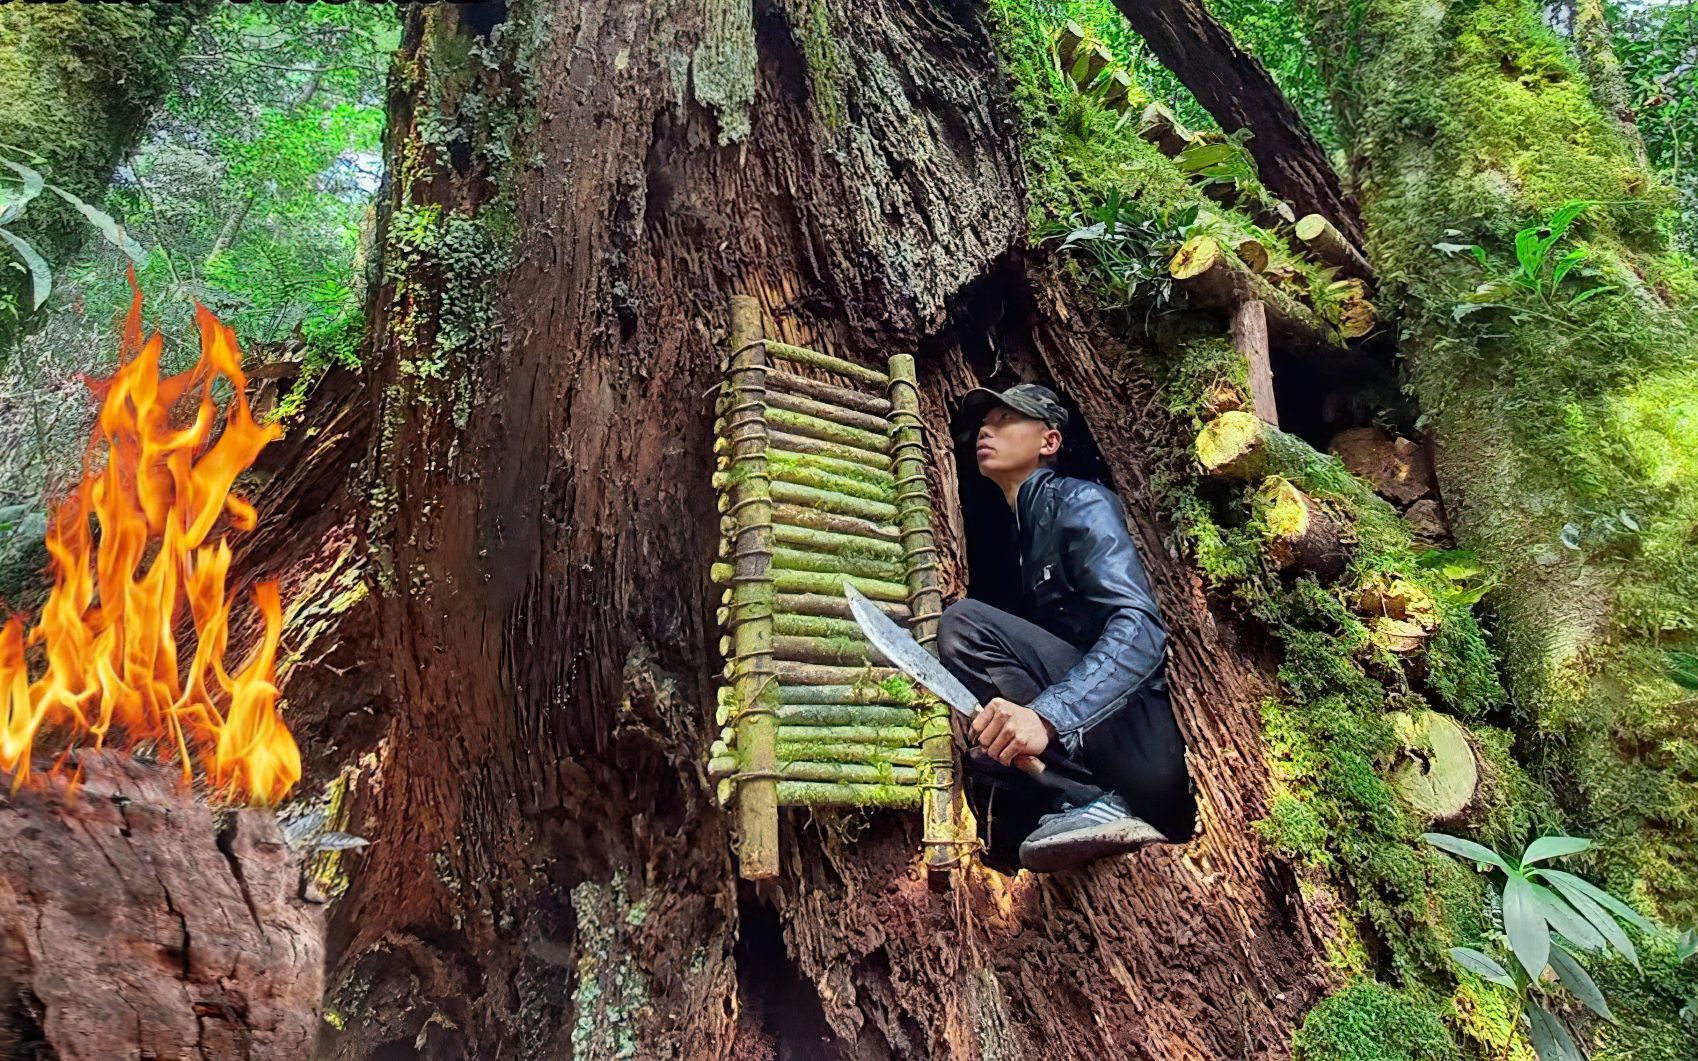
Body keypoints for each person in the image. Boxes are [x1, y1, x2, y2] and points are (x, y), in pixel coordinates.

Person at [938, 382, 1196, 874]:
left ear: (1049, 442)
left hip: (1144, 748)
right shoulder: (1023, 530)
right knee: (983, 769)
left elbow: (1140, 629)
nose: (986, 431)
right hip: (1107, 744)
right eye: (982, 424)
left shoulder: (1079, 502)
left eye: (1007, 419)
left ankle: (1095, 799)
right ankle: (1076, 804)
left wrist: (1048, 716)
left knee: (964, 624)